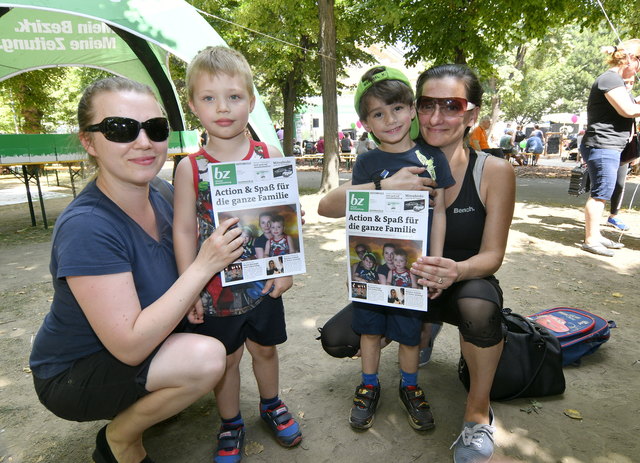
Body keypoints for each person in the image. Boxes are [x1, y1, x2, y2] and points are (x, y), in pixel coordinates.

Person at [28, 76, 237, 463]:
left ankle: (144, 404)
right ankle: (120, 439)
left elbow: (212, 230)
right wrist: (204, 265)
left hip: (143, 342)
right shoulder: (87, 226)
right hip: (74, 373)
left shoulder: (162, 191)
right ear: (88, 141)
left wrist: (271, 221)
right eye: (121, 129)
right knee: (207, 358)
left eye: (155, 129)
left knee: (229, 326)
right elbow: (130, 347)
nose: (144, 142)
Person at [319, 63, 515, 462]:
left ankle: (477, 414)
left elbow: (493, 256)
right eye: (429, 104)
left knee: (478, 308)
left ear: (471, 114)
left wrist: (453, 270)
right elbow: (329, 208)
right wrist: (379, 189)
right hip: (402, 276)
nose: (437, 116)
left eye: (452, 105)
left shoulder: (494, 170)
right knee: (340, 338)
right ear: (416, 107)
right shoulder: (379, 161)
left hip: (460, 279)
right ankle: (421, 333)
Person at [172, 46, 302, 463]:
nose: (222, 108)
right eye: (209, 98)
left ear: (251, 100)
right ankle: (230, 423)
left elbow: (287, 216)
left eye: (233, 96)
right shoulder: (189, 168)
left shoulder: (269, 157)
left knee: (264, 349)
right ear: (193, 105)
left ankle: (272, 404)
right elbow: (183, 229)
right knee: (225, 360)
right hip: (213, 288)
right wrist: (188, 289)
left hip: (263, 282)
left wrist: (287, 268)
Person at [320, 65, 455, 433]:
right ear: (366, 123)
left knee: (410, 332)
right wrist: (381, 187)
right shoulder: (366, 161)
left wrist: (434, 263)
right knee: (369, 329)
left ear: (412, 110)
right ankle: (369, 384)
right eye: (378, 113)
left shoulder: (432, 158)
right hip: (374, 266)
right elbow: (338, 206)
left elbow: (439, 212)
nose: (390, 119)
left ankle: (410, 386)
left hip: (413, 267)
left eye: (396, 108)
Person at [580, 39, 640, 256]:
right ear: (631, 58)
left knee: (604, 191)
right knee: (600, 193)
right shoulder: (610, 79)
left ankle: (595, 235)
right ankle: (590, 239)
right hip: (603, 144)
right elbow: (627, 110)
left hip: (610, 145)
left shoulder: (616, 81)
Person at [607, 76, 637, 231]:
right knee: (601, 185)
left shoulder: (631, 99)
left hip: (625, 148)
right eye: (626, 82)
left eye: (632, 83)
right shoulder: (610, 96)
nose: (629, 85)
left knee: (619, 183)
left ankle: (613, 216)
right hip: (608, 146)